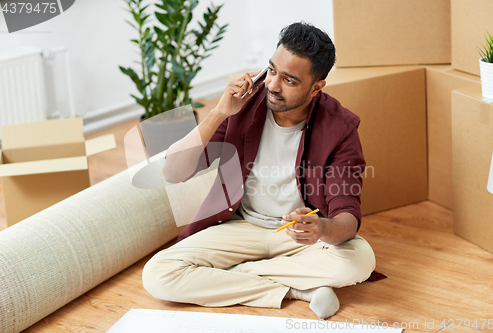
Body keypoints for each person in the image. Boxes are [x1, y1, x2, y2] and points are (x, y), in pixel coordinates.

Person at [142, 22, 375, 319]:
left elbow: (347, 215)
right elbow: (173, 172)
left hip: (297, 239)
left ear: (316, 88)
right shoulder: (244, 104)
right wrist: (218, 113)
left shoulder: (340, 127)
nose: (273, 86)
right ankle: (298, 290)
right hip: (241, 226)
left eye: (289, 81)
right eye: (272, 71)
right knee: (158, 274)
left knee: (359, 261)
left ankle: (237, 275)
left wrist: (321, 229)